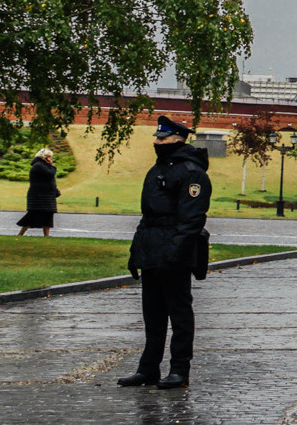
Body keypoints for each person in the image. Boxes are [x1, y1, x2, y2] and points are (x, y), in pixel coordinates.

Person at [118, 116, 211, 390]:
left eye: (162, 138)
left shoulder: (192, 173)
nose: (157, 142)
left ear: (178, 140)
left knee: (179, 314)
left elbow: (192, 220)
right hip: (152, 250)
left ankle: (180, 369)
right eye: (156, 138)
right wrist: (137, 252)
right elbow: (147, 216)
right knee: (153, 314)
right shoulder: (157, 170)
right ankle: (148, 369)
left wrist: (174, 255)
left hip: (174, 252)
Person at [14, 145, 58, 236]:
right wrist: (52, 166)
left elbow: (48, 180)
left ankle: (46, 236)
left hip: (45, 196)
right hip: (39, 196)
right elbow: (50, 174)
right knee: (32, 215)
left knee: (48, 216)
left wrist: (55, 191)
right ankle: (20, 234)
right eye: (48, 157)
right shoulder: (39, 166)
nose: (50, 159)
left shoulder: (43, 166)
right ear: (43, 157)